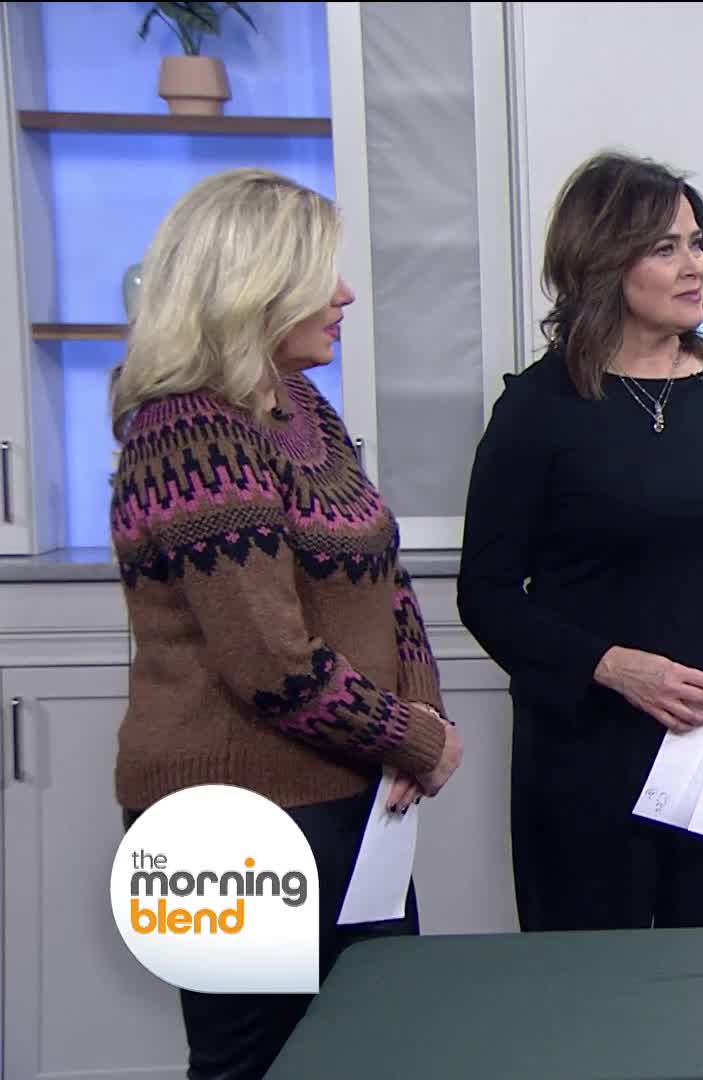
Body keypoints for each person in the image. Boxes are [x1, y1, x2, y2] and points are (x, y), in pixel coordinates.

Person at [108, 167, 464, 1079]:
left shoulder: (300, 405)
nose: (344, 295)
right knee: (254, 1065)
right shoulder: (187, 432)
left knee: (377, 1051)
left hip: (351, 796)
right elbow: (269, 660)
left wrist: (421, 711)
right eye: (319, 275)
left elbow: (383, 574)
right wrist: (413, 738)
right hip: (227, 821)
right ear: (251, 287)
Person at [456, 151, 703, 932]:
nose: (696, 265)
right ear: (602, 261)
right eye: (665, 248)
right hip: (586, 750)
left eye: (698, 243)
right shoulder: (539, 408)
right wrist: (612, 666)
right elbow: (485, 595)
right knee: (592, 986)